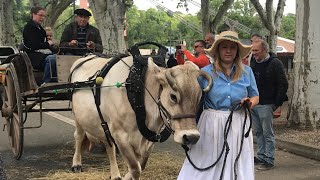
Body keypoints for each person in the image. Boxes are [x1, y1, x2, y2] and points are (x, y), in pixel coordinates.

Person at [178, 30, 259, 180]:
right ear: (217, 50)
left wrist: (250, 103)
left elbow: (255, 96)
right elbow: (191, 98)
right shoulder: (204, 72)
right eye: (224, 47)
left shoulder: (247, 72)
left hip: (238, 121)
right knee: (206, 159)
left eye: (232, 47)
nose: (228, 51)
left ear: (237, 51)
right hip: (211, 122)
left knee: (236, 159)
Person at [250, 39, 288, 171]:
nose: (254, 53)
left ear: (265, 50)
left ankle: (269, 159)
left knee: (267, 133)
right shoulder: (254, 62)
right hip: (255, 103)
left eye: (256, 51)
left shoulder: (275, 63)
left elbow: (283, 83)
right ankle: (261, 156)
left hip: (267, 103)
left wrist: (276, 103)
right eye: (252, 51)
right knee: (258, 132)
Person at [23, 6, 57, 85]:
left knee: (60, 57)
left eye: (44, 16)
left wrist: (55, 48)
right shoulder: (29, 27)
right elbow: (34, 45)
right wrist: (48, 44)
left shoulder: (40, 28)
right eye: (40, 15)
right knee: (52, 58)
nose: (42, 18)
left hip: (42, 54)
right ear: (33, 14)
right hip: (33, 56)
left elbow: (44, 45)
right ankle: (46, 82)